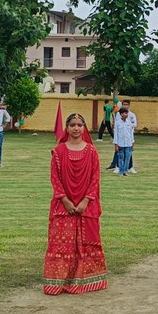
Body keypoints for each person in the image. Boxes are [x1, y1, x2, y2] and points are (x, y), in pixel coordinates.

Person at [43, 113, 106, 295]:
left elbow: (95, 178)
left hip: (87, 206)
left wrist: (86, 200)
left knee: (87, 243)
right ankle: (58, 282)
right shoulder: (58, 152)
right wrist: (65, 200)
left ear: (84, 127)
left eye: (79, 125)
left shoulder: (92, 151)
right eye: (73, 125)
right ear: (67, 127)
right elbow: (55, 179)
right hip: (63, 206)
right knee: (61, 243)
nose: (76, 128)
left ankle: (87, 281)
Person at [112, 104, 136, 176]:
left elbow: (131, 133)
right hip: (120, 143)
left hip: (128, 143)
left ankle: (125, 171)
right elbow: (116, 134)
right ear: (121, 114)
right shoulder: (118, 123)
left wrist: (132, 143)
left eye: (127, 113)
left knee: (127, 158)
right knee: (120, 158)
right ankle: (121, 171)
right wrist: (116, 144)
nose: (126, 115)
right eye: (125, 113)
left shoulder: (129, 122)